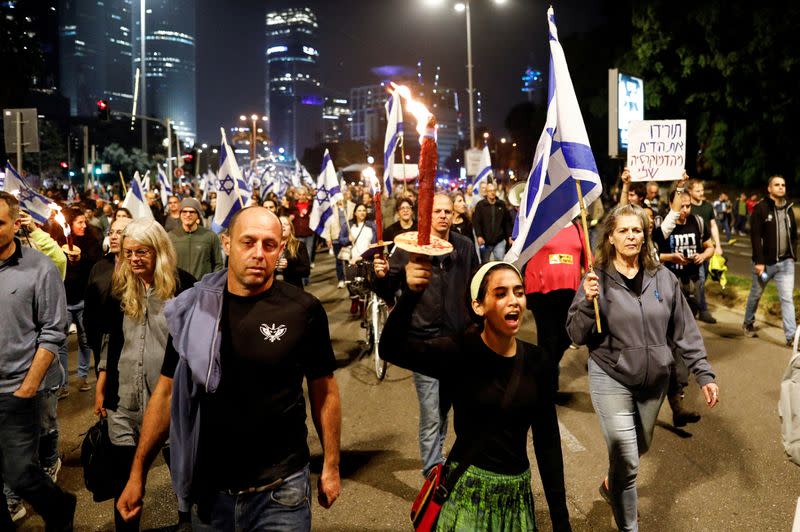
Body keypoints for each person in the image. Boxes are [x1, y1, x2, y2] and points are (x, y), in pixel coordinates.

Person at [115, 206, 341, 530]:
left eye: (269, 245)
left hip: (281, 492)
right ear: (226, 243)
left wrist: (331, 464)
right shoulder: (194, 310)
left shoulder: (303, 310)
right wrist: (138, 473)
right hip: (210, 494)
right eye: (247, 242)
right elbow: (166, 393)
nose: (258, 254)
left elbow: (325, 390)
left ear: (280, 249)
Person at [379, 261, 571, 531]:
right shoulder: (459, 351)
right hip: (467, 497)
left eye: (519, 292)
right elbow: (391, 349)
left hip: (516, 502)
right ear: (478, 305)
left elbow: (547, 441)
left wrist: (561, 521)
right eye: (501, 293)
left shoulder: (538, 360)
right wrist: (411, 294)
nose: (514, 301)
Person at [566, 204, 719, 531]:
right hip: (611, 376)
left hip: (655, 381)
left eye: (636, 230)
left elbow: (685, 330)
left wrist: (703, 373)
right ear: (610, 237)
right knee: (630, 461)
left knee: (639, 447)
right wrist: (584, 301)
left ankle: (611, 485)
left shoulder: (662, 277)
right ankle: (628, 526)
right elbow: (576, 335)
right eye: (623, 230)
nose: (631, 236)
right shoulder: (597, 279)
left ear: (645, 236)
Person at [94, 218, 194, 530]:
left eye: (142, 252)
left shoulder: (185, 288)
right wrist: (102, 385)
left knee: (183, 483)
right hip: (124, 403)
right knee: (126, 486)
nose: (134, 258)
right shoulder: (120, 287)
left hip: (170, 406)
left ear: (159, 250)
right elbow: (111, 341)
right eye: (128, 252)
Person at [373, 194, 479, 477]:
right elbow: (387, 291)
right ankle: (433, 470)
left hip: (458, 344)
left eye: (447, 211)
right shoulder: (408, 245)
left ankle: (454, 464)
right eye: (437, 211)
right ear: (426, 214)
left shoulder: (465, 246)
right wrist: (381, 276)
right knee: (432, 413)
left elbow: (475, 287)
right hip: (423, 343)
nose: (443, 215)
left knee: (454, 410)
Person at [0, 191, 77, 530]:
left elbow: (53, 330)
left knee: (19, 472)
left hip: (18, 391)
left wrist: (28, 388)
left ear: (16, 224)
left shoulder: (40, 267)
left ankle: (59, 506)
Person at [653, 189, 714, 426]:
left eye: (689, 206)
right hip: (665, 290)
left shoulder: (698, 222)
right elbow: (652, 254)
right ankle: (656, 398)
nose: (685, 210)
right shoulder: (663, 225)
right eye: (682, 205)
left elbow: (709, 246)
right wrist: (670, 258)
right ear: (672, 204)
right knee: (666, 345)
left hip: (689, 289)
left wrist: (704, 255)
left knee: (684, 341)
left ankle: (677, 400)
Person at [524, 223, 586, 393]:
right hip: (542, 291)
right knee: (548, 340)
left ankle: (542, 374)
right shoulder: (540, 225)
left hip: (569, 292)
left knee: (566, 337)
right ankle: (547, 390)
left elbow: (588, 260)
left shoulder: (577, 227)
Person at [743, 175, 798, 345]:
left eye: (783, 184)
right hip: (765, 265)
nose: (781, 187)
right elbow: (755, 237)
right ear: (769, 189)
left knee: (787, 298)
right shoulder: (761, 209)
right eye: (777, 185)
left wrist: (792, 254)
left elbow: (793, 234)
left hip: (785, 264)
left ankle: (791, 337)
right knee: (756, 293)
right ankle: (748, 322)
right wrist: (759, 261)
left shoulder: (788, 208)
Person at [63, 206, 104, 392]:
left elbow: (95, 266)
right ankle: (62, 383)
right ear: (69, 225)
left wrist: (81, 258)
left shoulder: (91, 240)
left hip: (83, 300)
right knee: (60, 344)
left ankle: (82, 376)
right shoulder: (59, 243)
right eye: (79, 222)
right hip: (63, 301)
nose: (84, 225)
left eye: (84, 221)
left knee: (85, 340)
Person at [85, 217, 133, 373]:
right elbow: (89, 307)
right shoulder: (99, 267)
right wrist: (93, 339)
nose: (113, 237)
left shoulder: (137, 268)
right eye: (111, 232)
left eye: (119, 233)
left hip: (129, 344)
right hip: (101, 342)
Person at [688, 179, 723, 324]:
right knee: (699, 280)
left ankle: (695, 306)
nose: (701, 193)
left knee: (702, 280)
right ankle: (702, 310)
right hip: (693, 250)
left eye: (702, 190)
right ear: (689, 191)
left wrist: (718, 245)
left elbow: (713, 226)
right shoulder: (687, 207)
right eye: (697, 190)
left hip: (707, 249)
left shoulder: (708, 207)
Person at [168, 197, 223, 281]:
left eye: (192, 212)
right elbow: (166, 264)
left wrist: (210, 283)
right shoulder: (170, 237)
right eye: (184, 211)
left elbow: (218, 264)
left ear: (198, 215)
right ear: (180, 214)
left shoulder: (210, 236)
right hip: (179, 289)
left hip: (203, 288)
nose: (188, 214)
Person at [347, 203, 376, 315]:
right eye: (359, 210)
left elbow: (375, 243)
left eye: (364, 210)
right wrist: (347, 239)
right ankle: (354, 300)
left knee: (364, 283)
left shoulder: (371, 226)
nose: (362, 212)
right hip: (352, 258)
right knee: (351, 283)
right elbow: (341, 239)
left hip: (366, 258)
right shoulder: (349, 225)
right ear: (355, 213)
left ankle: (363, 304)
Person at [472, 182, 513, 262]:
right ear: (486, 192)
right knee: (485, 263)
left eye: (494, 190)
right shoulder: (480, 205)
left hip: (499, 241)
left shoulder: (501, 204)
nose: (492, 192)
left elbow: (507, 222)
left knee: (499, 263)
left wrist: (509, 236)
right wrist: (479, 235)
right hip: (485, 241)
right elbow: (476, 222)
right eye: (490, 191)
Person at [277, 215, 311, 289]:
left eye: (286, 224)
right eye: (280, 224)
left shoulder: (299, 245)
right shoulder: (270, 246)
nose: (283, 226)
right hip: (273, 290)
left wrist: (288, 266)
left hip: (293, 288)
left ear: (291, 228)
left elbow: (306, 271)